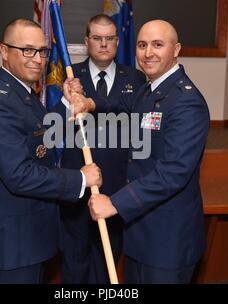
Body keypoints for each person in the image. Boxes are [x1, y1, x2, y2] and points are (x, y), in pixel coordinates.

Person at [67, 20, 210, 283]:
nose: (148, 53)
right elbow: (120, 104)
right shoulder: (149, 89)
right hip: (140, 231)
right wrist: (87, 102)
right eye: (142, 45)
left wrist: (115, 203)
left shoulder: (187, 102)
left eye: (158, 45)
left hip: (168, 240)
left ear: (176, 49)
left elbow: (173, 173)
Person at [0, 18, 102, 284]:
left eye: (42, 51)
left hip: (28, 238)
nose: (38, 59)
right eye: (27, 50)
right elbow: (19, 174)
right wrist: (79, 179)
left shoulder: (21, 93)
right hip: (11, 246)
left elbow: (41, 137)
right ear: (4, 52)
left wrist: (66, 103)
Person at [55, 14, 145, 283]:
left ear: (118, 42)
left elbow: (136, 120)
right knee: (74, 260)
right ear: (86, 41)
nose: (103, 44)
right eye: (97, 38)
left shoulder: (136, 78)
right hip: (78, 183)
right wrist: (65, 97)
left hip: (117, 186)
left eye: (109, 39)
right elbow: (52, 129)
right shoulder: (71, 77)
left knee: (107, 260)